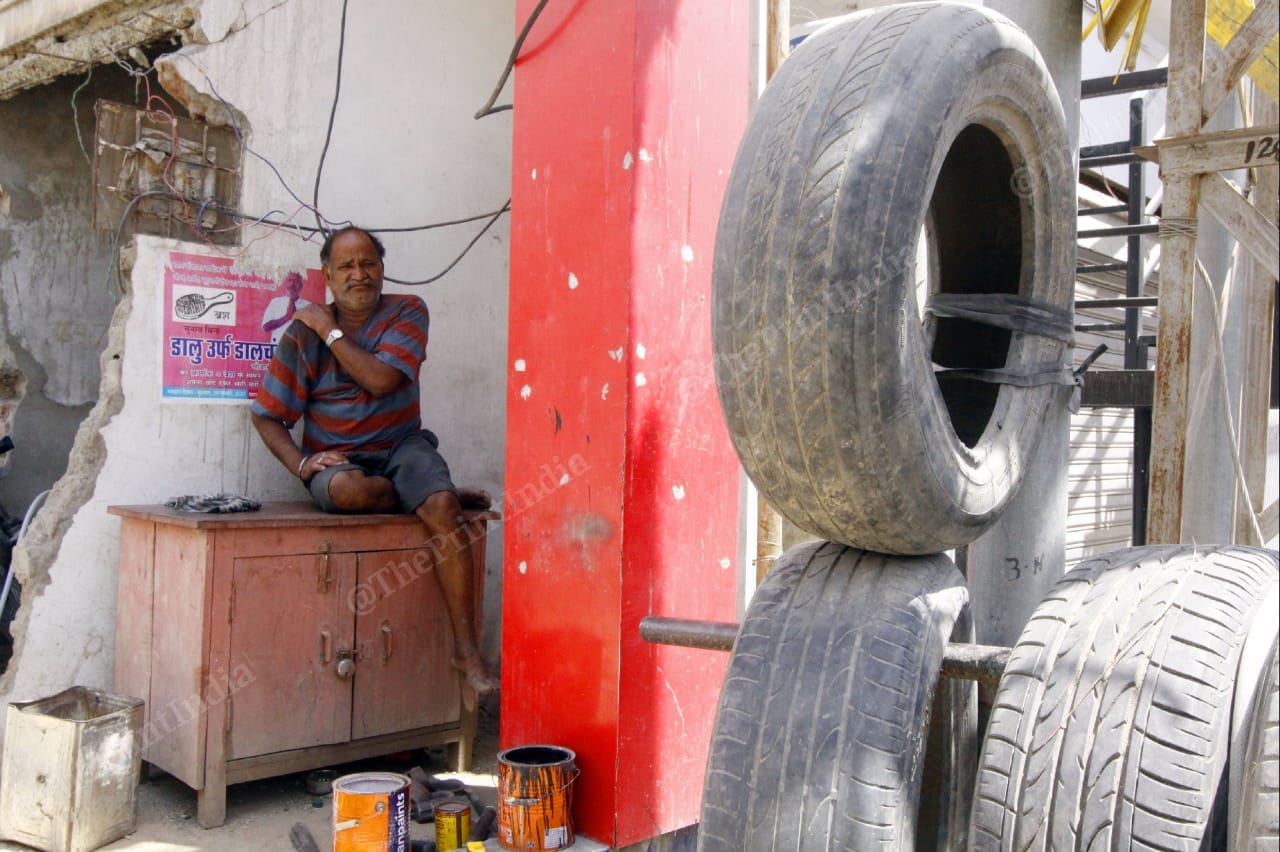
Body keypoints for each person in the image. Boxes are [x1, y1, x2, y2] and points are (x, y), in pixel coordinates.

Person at [250, 226, 498, 694]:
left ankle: (467, 653)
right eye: (345, 266)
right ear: (327, 275)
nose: (358, 274)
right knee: (350, 492)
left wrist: (331, 329)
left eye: (368, 264)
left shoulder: (407, 311)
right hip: (342, 465)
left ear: (382, 269)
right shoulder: (303, 336)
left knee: (445, 512)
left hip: (402, 446)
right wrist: (302, 465)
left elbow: (382, 380)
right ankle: (419, 495)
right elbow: (266, 416)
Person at [260, 271, 312, 345]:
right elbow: (265, 327)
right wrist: (286, 317)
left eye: (296, 281)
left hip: (299, 350)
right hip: (278, 349)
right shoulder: (275, 302)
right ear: (285, 283)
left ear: (301, 285)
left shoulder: (308, 306)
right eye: (289, 280)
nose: (292, 284)